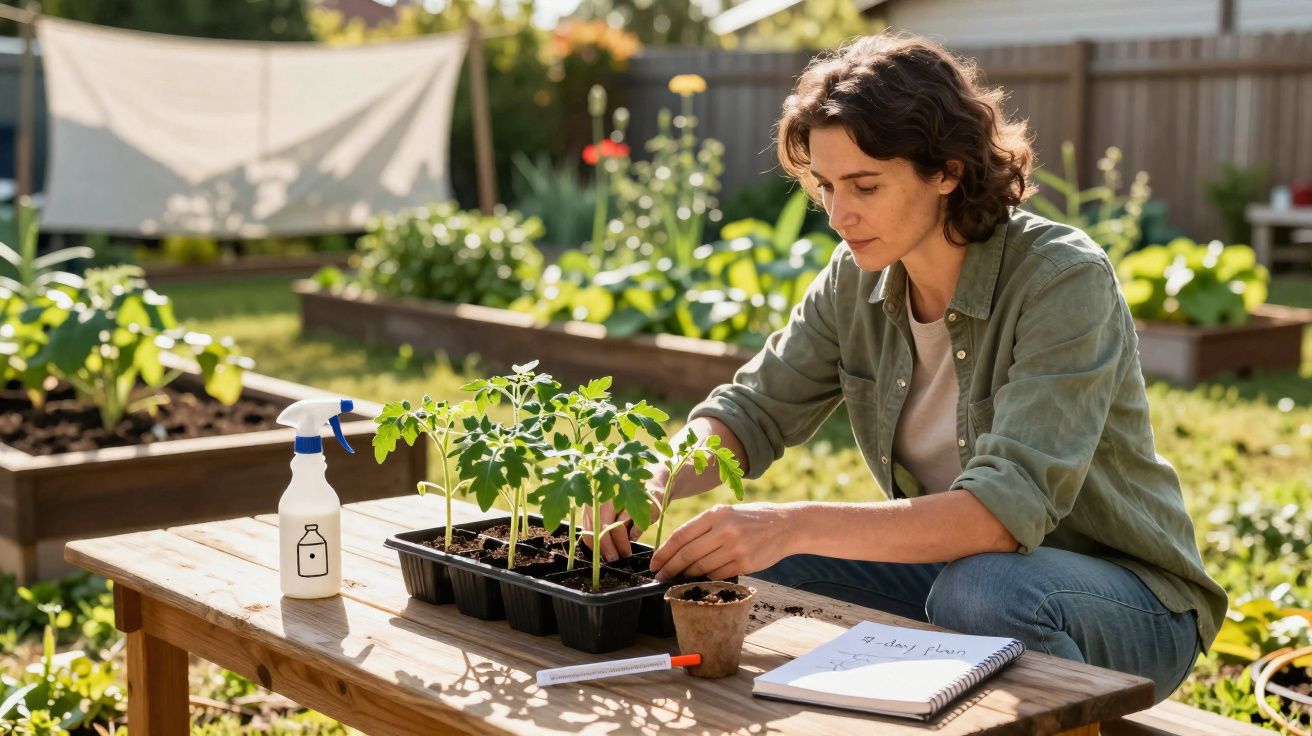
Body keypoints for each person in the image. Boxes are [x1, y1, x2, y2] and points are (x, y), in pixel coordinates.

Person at [585, 32, 1226, 703]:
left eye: (865, 185)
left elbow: (999, 515)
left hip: (1129, 603)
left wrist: (789, 522)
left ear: (947, 171)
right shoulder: (854, 279)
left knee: (979, 590)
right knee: (767, 567)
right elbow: (751, 412)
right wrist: (649, 479)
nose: (839, 214)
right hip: (958, 573)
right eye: (826, 186)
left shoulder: (1062, 279)